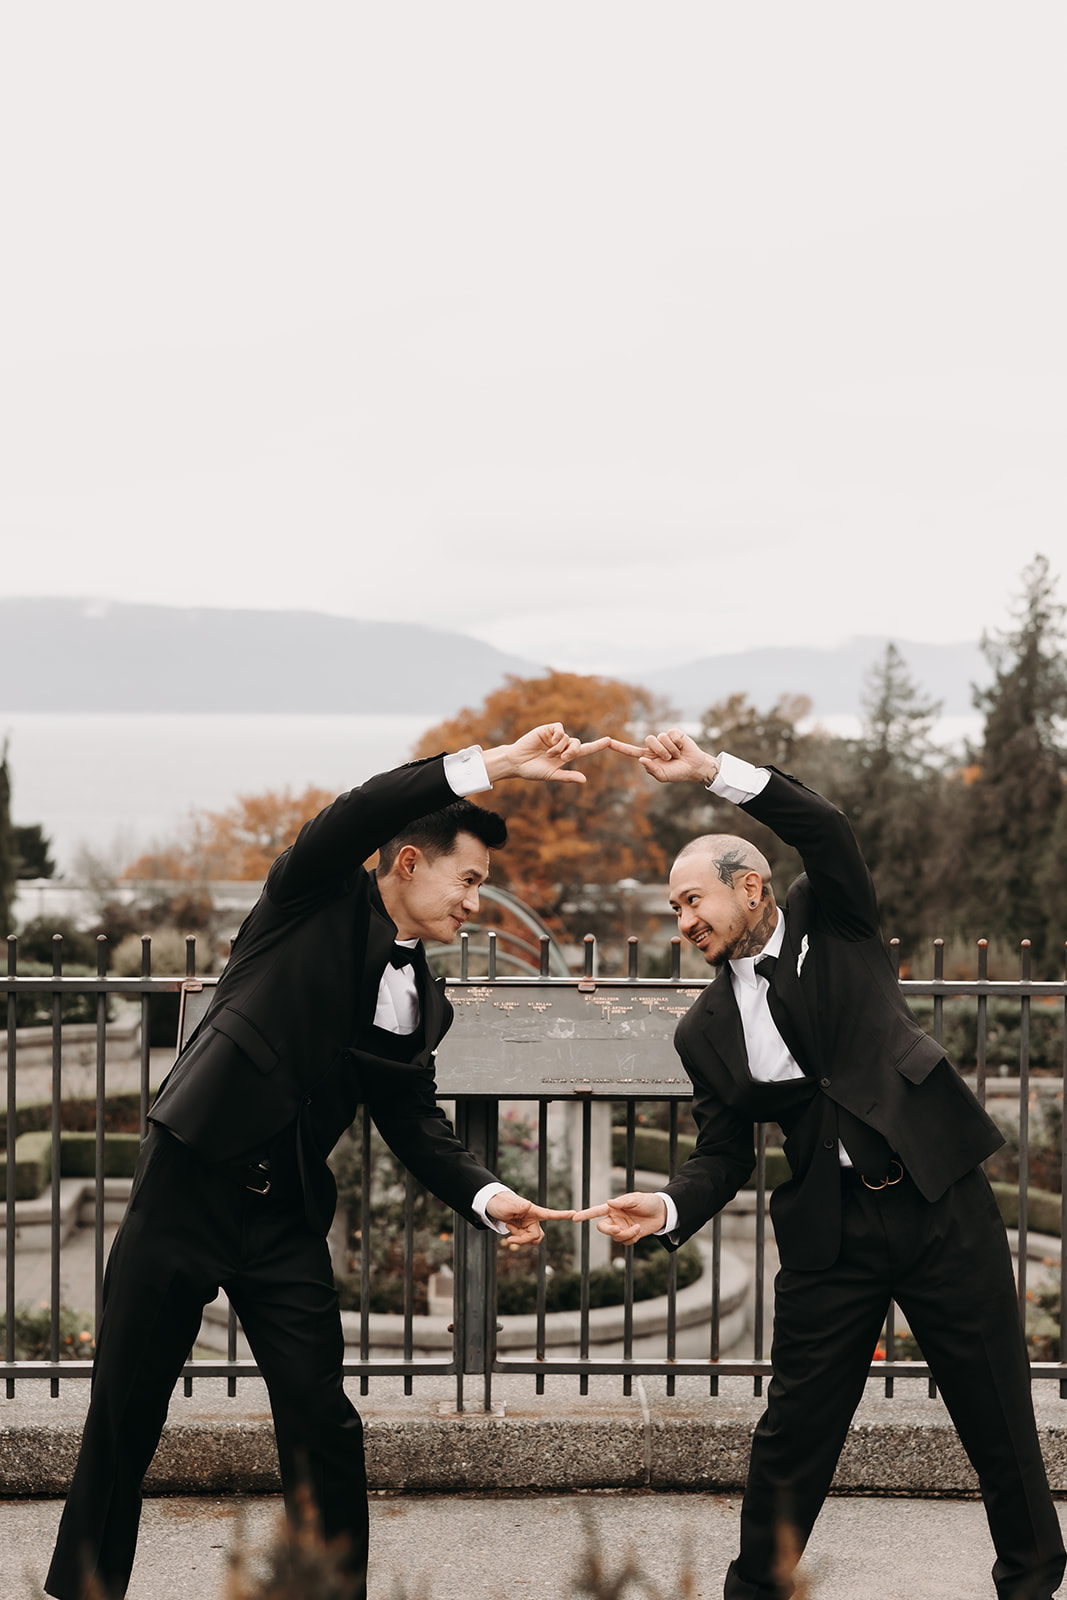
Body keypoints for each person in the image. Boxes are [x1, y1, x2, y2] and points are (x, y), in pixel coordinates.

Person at [46, 723, 601, 1600]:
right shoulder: (307, 895)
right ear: (407, 863)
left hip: (284, 1220)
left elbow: (414, 1122)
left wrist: (492, 1198)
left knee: (323, 1422)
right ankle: (83, 1588)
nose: (475, 904)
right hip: (186, 1184)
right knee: (124, 1414)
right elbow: (362, 809)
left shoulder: (425, 1001)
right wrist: (491, 765)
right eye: (469, 880)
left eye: (484, 890)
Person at [578, 728, 1065, 1600]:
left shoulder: (827, 920)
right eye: (674, 912)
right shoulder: (704, 1030)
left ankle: (1031, 1586)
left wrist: (712, 773)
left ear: (752, 887)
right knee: (791, 1437)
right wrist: (666, 1208)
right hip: (829, 1235)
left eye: (694, 902)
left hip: (938, 1202)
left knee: (998, 1421)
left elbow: (827, 828)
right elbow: (721, 1154)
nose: (684, 923)